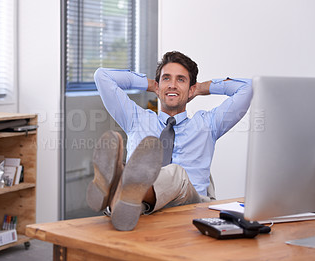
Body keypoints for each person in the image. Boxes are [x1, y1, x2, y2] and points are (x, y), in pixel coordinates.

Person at [86, 51, 253, 231]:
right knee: (132, 207)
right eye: (166, 79)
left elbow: (248, 88)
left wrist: (201, 88)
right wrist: (150, 84)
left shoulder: (208, 124)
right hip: (145, 205)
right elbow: (102, 76)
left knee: (177, 174)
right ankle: (122, 196)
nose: (172, 85)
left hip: (190, 205)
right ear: (158, 86)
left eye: (181, 80)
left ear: (191, 89)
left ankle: (119, 182)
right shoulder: (136, 118)